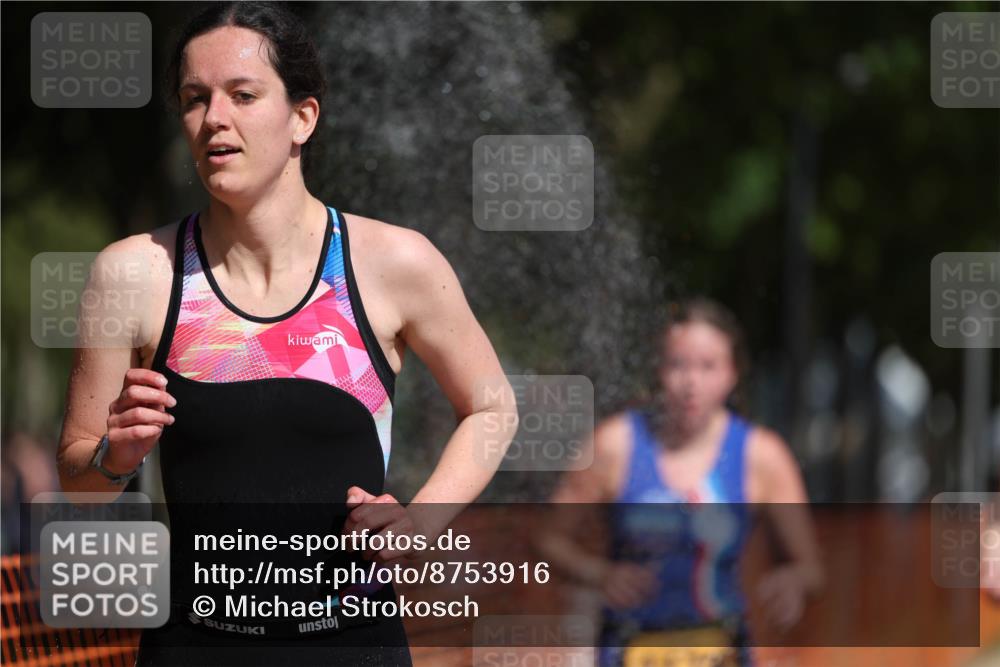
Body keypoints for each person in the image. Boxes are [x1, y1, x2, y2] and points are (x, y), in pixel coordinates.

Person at [55, 3, 517, 665]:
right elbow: (77, 479)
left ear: (303, 117)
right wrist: (114, 458)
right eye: (195, 99)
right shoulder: (134, 274)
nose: (215, 118)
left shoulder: (393, 263)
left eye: (243, 95)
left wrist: (422, 519)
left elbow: (493, 406)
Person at [537, 298, 824, 667]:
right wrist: (600, 574)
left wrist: (794, 581)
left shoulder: (762, 456)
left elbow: (811, 568)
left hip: (720, 647)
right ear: (658, 370)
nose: (691, 383)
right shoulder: (614, 445)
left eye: (708, 367)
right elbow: (548, 540)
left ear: (732, 374)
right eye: (678, 365)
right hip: (628, 647)